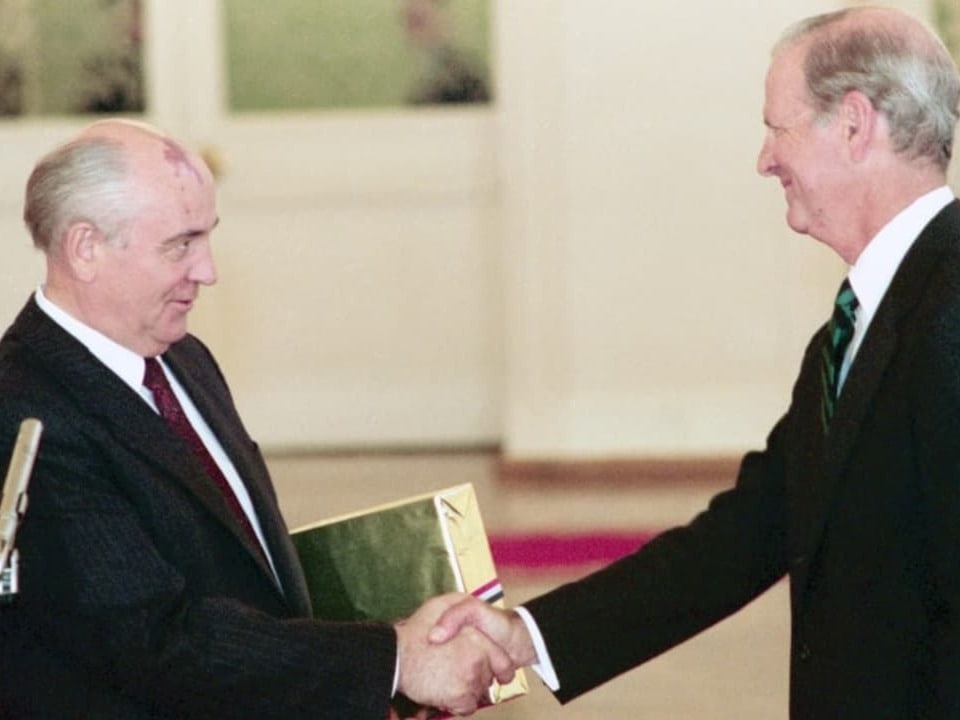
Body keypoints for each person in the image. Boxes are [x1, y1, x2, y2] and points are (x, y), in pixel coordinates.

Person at [430, 7, 960, 718]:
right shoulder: (861, 320)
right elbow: (749, 533)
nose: (765, 158)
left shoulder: (949, 307)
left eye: (778, 127)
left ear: (855, 124)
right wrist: (528, 635)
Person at [0, 119, 512, 719]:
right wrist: (393, 659)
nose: (207, 270)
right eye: (180, 244)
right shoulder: (25, 408)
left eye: (207, 237)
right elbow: (153, 639)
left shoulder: (181, 358)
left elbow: (237, 566)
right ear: (85, 247)